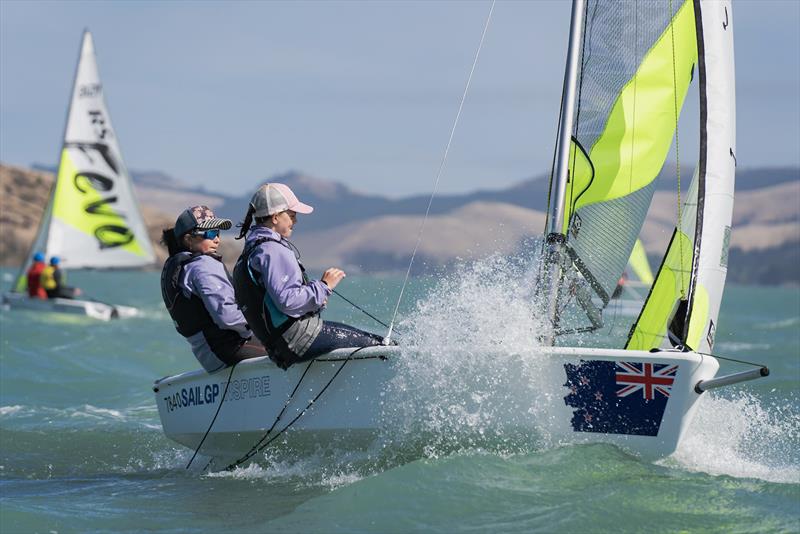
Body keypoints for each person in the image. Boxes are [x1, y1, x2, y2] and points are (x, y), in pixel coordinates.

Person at [232, 183, 384, 370]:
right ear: (275, 217)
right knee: (381, 345)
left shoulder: (251, 250)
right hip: (298, 339)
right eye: (292, 215)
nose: (295, 221)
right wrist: (324, 286)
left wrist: (315, 299)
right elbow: (287, 301)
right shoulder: (272, 250)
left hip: (278, 347)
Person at [160, 205, 267, 374]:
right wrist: (264, 324)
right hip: (228, 350)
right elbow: (228, 318)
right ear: (188, 239)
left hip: (208, 357)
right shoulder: (203, 266)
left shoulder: (177, 266)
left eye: (217, 232)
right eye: (210, 234)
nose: (217, 239)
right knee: (289, 344)